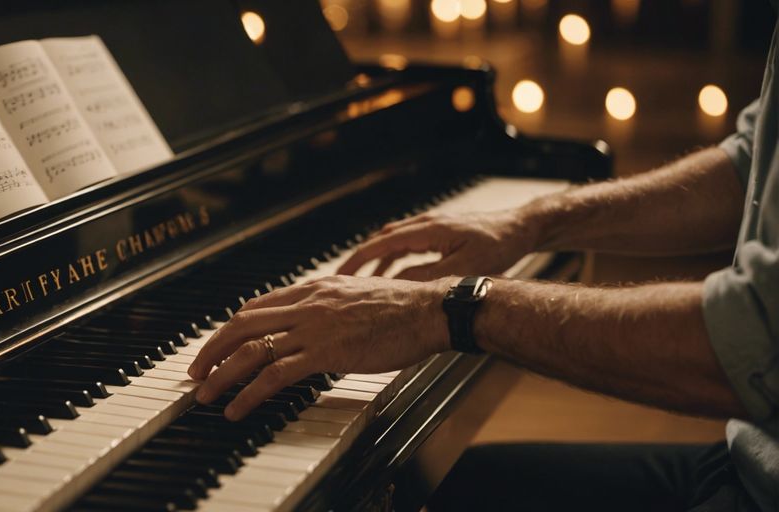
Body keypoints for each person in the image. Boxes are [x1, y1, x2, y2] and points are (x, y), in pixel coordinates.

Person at [188, 19, 779, 512]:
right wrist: (533, 220)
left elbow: (752, 344)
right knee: (474, 483)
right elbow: (751, 164)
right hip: (753, 457)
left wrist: (446, 308)